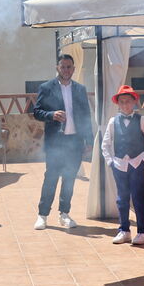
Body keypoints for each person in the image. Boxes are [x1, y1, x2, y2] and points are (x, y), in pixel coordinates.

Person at [33, 53, 93, 230]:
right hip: (55, 143)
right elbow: (37, 112)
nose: (66, 70)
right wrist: (51, 115)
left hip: (74, 142)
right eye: (63, 66)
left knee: (69, 179)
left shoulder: (80, 89)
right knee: (50, 178)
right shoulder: (46, 87)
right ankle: (42, 215)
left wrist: (88, 140)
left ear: (73, 69)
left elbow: (85, 116)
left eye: (69, 67)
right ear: (57, 68)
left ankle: (64, 214)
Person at [101, 85, 144, 244]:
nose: (125, 104)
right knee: (122, 198)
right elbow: (105, 144)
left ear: (134, 102)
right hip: (119, 165)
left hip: (136, 164)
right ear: (118, 104)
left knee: (138, 197)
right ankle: (124, 230)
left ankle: (142, 232)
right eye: (122, 102)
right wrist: (110, 161)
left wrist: (143, 158)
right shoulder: (113, 121)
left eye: (128, 101)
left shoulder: (142, 120)